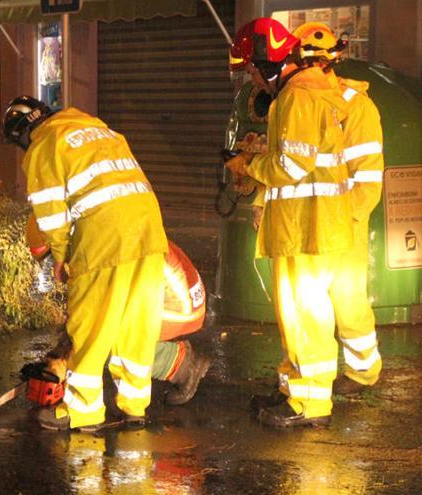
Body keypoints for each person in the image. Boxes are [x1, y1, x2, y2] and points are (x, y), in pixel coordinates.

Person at [2, 95, 168, 431]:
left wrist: (61, 257)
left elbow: (52, 214)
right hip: (150, 230)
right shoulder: (96, 128)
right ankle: (134, 405)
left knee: (91, 324)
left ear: (22, 132)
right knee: (136, 323)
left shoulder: (44, 145)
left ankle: (83, 411)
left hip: (104, 235)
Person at [226, 18, 353, 428]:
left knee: (308, 316)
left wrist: (249, 163)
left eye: (251, 69)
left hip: (307, 228)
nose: (252, 78)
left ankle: (310, 404)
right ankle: (291, 389)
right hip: (306, 225)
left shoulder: (298, 98)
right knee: (296, 315)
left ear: (266, 64)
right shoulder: (305, 93)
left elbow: (293, 165)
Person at [25, 214, 210, 406]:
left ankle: (183, 366)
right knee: (102, 325)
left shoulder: (93, 255)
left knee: (105, 336)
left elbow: (91, 319)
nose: (53, 265)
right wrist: (60, 353)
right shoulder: (95, 234)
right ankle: (173, 357)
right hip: (176, 296)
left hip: (179, 307)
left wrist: (63, 361)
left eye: (51, 257)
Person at [292, 22, 384, 395]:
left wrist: (349, 219)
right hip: (313, 219)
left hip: (343, 221)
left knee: (347, 299)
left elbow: (366, 176)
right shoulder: (304, 99)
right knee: (311, 305)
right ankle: (317, 377)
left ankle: (363, 372)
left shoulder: (356, 106)